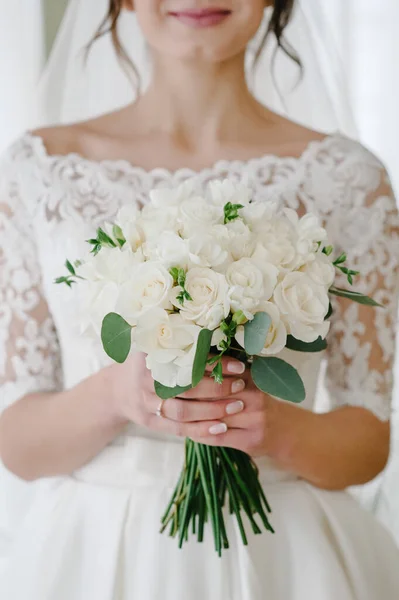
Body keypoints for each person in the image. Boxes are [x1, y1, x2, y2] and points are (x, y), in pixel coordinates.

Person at [1, 1, 399, 598]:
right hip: (91, 555)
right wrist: (117, 392)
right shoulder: (41, 169)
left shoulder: (348, 177)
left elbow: (367, 444)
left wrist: (274, 427)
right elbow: (19, 445)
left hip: (285, 558)